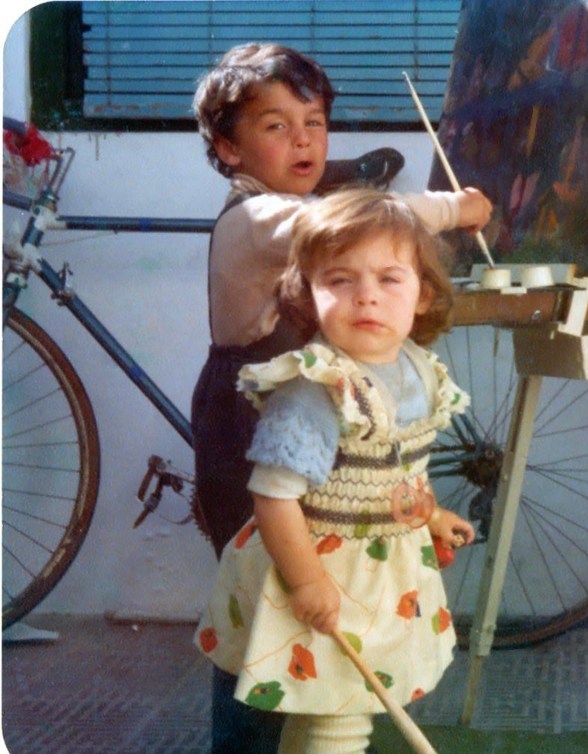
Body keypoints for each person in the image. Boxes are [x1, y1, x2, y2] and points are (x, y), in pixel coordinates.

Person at [189, 43, 491, 754]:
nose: (302, 140)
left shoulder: (303, 209)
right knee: (268, 597)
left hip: (325, 439)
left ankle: (295, 729)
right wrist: (454, 207)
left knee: (304, 610)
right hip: (250, 425)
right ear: (229, 148)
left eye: (315, 122)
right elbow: (353, 226)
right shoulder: (255, 218)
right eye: (275, 125)